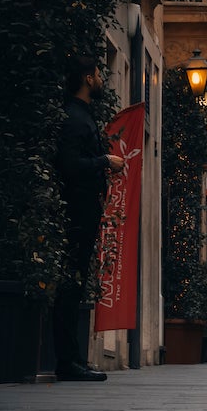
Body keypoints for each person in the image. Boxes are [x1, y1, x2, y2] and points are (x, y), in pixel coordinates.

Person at [54, 56, 124, 383]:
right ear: (86, 77)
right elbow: (69, 164)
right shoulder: (74, 118)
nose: (100, 79)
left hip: (82, 208)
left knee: (75, 283)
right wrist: (104, 161)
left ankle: (72, 360)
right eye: (97, 74)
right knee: (71, 283)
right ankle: (68, 362)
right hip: (76, 209)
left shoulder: (80, 116)